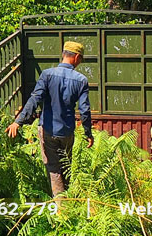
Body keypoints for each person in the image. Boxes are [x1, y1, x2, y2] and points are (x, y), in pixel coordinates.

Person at [6, 41, 93, 197]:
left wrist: (18, 122)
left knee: (54, 169)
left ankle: (60, 207)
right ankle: (68, 199)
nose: (80, 63)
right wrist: (88, 133)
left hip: (47, 130)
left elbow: (35, 99)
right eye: (81, 60)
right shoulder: (81, 80)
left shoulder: (47, 74)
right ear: (77, 57)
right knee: (66, 166)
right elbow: (84, 110)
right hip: (67, 132)